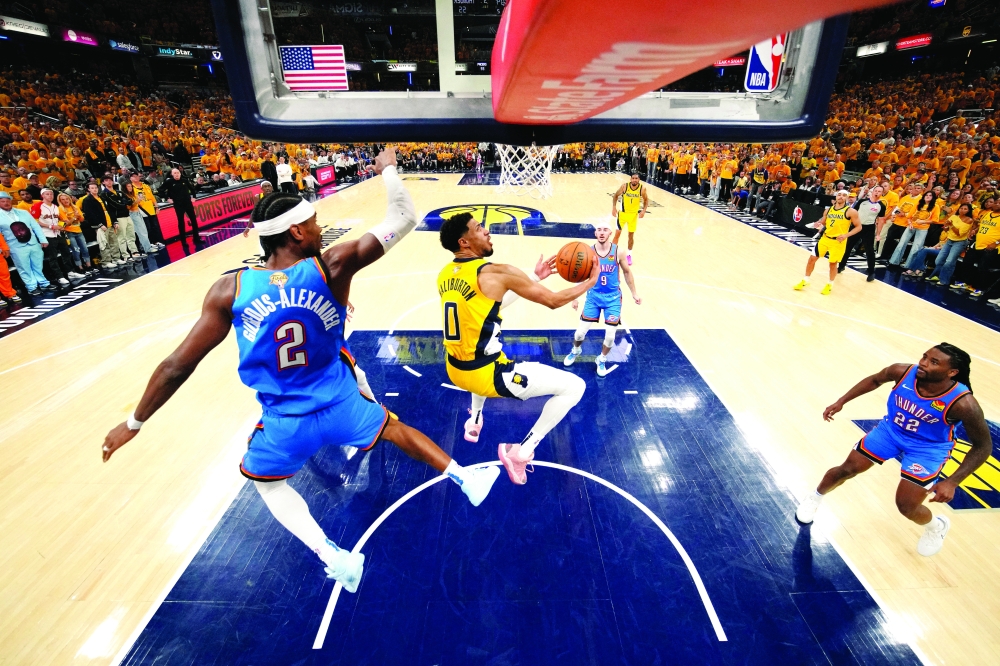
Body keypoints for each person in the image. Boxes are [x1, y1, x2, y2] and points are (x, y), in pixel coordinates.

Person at [100, 147, 500, 593]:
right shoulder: (332, 266)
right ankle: (466, 477)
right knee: (392, 427)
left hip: (285, 423)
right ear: (295, 232)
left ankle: (334, 557)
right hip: (341, 403)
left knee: (269, 486)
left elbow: (176, 366)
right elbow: (403, 217)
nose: (320, 228)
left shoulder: (228, 290)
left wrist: (134, 423)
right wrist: (388, 169)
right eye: (313, 223)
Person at [436, 212, 598, 485]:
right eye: (479, 228)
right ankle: (521, 452)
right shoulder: (496, 272)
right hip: (488, 376)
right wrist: (590, 282)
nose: (487, 231)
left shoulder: (445, 274)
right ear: (464, 242)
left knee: (480, 348)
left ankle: (475, 420)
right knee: (575, 387)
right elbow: (553, 301)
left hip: (454, 369)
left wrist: (534, 276)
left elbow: (491, 302)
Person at [795, 344, 991, 557]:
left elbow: (983, 446)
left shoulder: (964, 404)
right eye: (924, 357)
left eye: (934, 362)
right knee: (847, 469)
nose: (923, 363)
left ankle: (937, 526)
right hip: (891, 432)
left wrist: (952, 482)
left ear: (952, 372)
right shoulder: (902, 371)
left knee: (906, 506)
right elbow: (874, 380)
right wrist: (841, 401)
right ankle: (815, 497)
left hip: (927, 448)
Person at [563, 222, 641, 376]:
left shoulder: (618, 251)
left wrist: (634, 293)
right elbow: (581, 276)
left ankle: (602, 359)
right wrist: (575, 297)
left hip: (613, 298)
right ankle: (576, 350)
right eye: (599, 230)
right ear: (595, 233)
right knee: (579, 334)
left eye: (605, 230)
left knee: (610, 336)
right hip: (593, 297)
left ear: (610, 233)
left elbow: (627, 272)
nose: (602, 232)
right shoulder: (588, 253)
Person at [794, 190, 863, 295]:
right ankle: (805, 280)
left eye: (844, 195)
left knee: (832, 264)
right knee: (812, 259)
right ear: (836, 197)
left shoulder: (851, 211)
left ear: (847, 198)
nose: (841, 197)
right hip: (825, 238)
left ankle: (830, 284)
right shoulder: (828, 210)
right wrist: (817, 224)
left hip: (838, 242)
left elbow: (859, 227)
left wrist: (846, 235)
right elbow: (823, 222)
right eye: (839, 195)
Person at [904, 202, 974, 284]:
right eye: (961, 208)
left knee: (949, 261)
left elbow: (959, 234)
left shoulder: (969, 220)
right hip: (949, 240)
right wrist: (946, 226)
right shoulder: (954, 216)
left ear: (969, 211)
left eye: (965, 209)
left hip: (959, 242)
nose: (962, 210)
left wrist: (951, 225)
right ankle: (935, 276)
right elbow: (946, 230)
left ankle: (944, 280)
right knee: (939, 260)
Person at [0, 191, 52, 295]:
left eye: (7, 200)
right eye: (2, 201)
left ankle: (43, 283)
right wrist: (3, 247)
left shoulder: (23, 212)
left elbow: (35, 226)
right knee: (24, 267)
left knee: (38, 264)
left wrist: (42, 239)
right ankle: (31, 287)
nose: (6, 203)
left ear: (11, 201)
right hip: (15, 246)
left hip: (33, 242)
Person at [840, 185, 887, 281]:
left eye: (879, 191)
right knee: (848, 247)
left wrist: (878, 234)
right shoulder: (862, 201)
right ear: (873, 191)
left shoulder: (881, 206)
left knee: (870, 250)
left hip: (868, 228)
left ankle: (871, 272)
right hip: (856, 226)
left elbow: (881, 220)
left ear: (882, 193)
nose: (877, 192)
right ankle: (841, 266)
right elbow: (852, 213)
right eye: (876, 190)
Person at [610, 172, 648, 265]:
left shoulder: (642, 189)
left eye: (636, 178)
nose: (634, 180)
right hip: (622, 215)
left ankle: (629, 255)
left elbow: (646, 200)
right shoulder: (625, 187)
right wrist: (614, 207)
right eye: (633, 178)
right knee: (617, 234)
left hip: (633, 216)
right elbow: (615, 195)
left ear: (639, 180)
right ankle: (611, 254)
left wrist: (643, 211)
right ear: (630, 179)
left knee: (631, 236)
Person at [57, 192, 95, 276]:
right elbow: (66, 223)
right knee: (76, 250)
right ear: (60, 201)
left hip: (79, 230)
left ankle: (88, 266)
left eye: (67, 199)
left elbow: (82, 220)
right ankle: (80, 267)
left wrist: (78, 216)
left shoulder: (75, 207)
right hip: (69, 232)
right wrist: (74, 217)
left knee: (85, 249)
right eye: (63, 199)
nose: (65, 201)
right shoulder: (60, 209)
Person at [161, 168, 201, 248]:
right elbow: (160, 190)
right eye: (175, 173)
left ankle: (196, 238)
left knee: (193, 220)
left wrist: (194, 197)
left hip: (188, 203)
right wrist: (167, 198)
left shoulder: (184, 180)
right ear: (172, 174)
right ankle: (183, 241)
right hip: (178, 204)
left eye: (178, 172)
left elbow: (192, 189)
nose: (177, 174)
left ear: (180, 173)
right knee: (181, 222)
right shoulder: (169, 182)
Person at [131, 172, 165, 250]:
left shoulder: (145, 185)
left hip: (151, 209)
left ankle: (156, 241)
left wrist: (156, 207)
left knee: (155, 226)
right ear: (130, 178)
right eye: (133, 176)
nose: (135, 178)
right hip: (141, 210)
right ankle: (149, 243)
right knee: (147, 228)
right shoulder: (131, 188)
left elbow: (152, 197)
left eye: (136, 176)